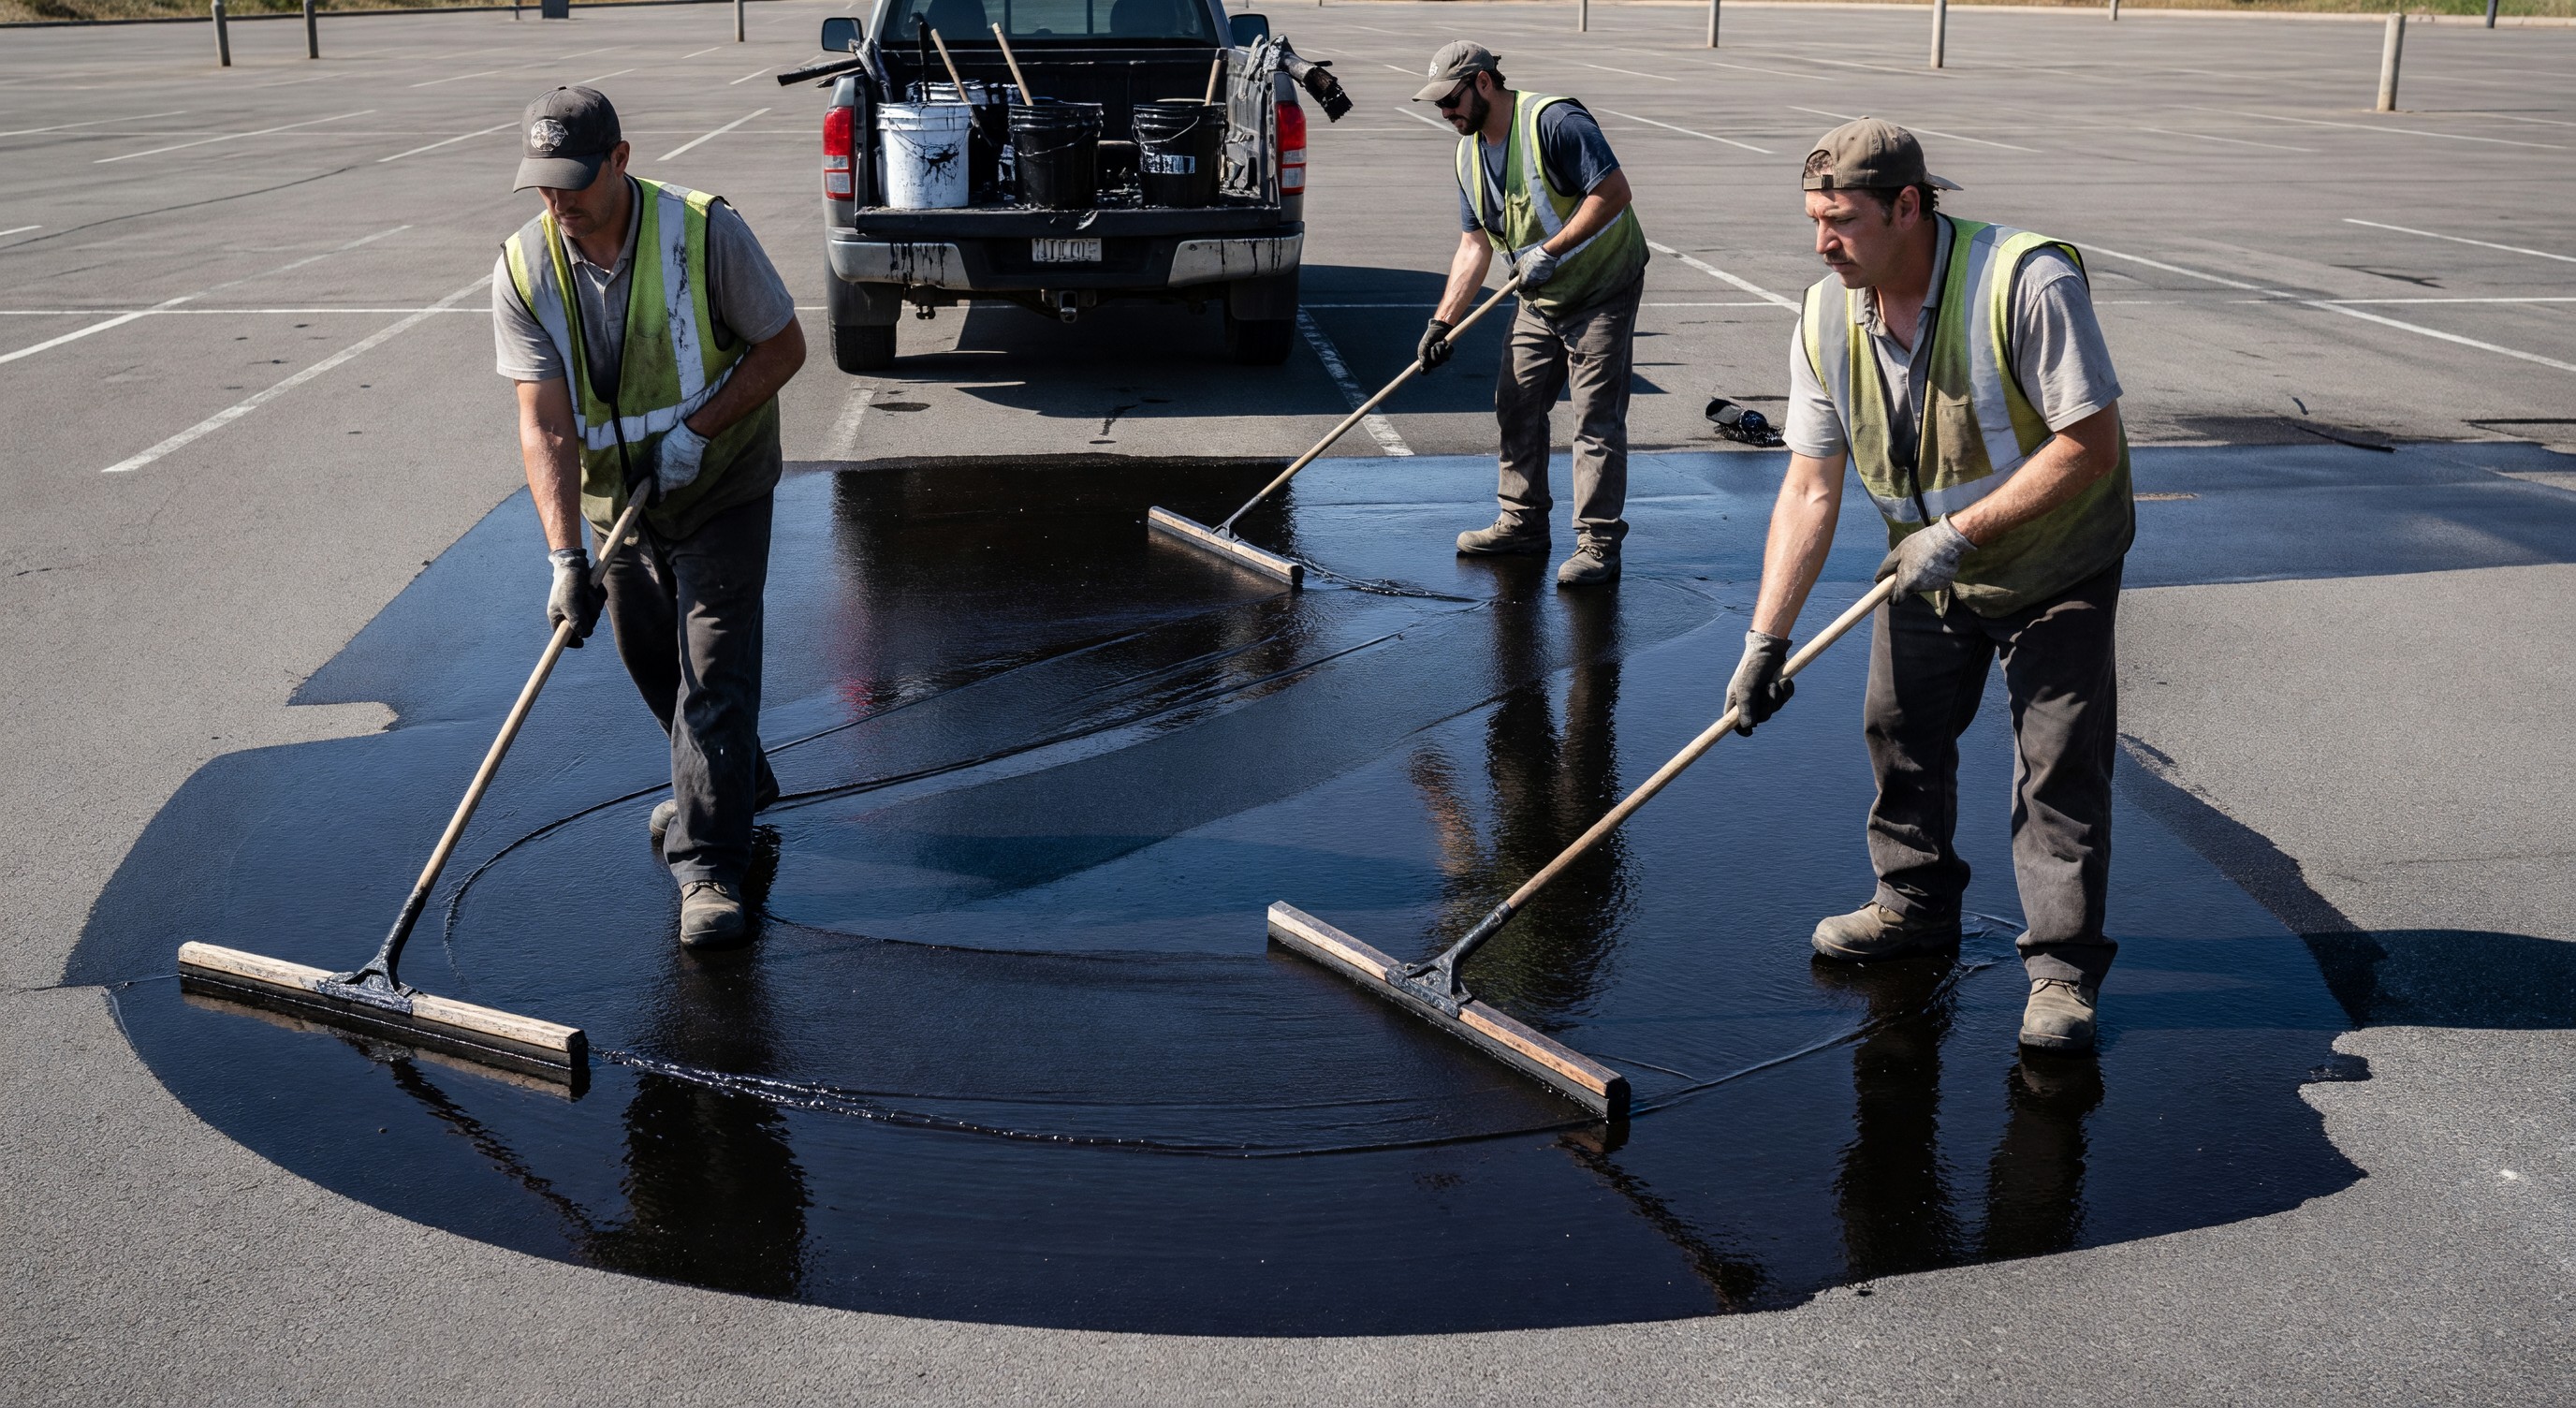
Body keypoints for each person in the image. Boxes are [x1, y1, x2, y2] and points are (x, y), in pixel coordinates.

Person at [1726, 118, 2133, 1053]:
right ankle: (1911, 903)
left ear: (1908, 206)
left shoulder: (2024, 281)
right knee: (1898, 729)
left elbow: (2089, 443)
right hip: (1928, 565)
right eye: (1813, 220)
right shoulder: (1827, 314)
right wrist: (1766, 640)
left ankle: (2062, 972)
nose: (1821, 242)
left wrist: (1960, 530)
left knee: (2057, 766)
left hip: (2055, 556)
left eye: (1841, 221)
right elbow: (1809, 485)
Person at [490, 86, 807, 948]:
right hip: (614, 506)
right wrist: (563, 556)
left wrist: (697, 433)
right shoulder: (525, 268)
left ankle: (709, 868)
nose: (560, 204)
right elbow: (545, 421)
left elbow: (784, 346)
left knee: (712, 669)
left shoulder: (704, 234)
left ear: (620, 159)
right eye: (544, 187)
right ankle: (734, 778)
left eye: (575, 184)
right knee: (646, 657)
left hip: (722, 482)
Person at [1411, 41, 1647, 589]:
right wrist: (1442, 323)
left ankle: (1597, 545)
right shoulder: (1467, 154)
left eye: (1452, 100)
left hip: (1602, 288)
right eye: (1439, 105)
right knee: (1516, 402)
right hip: (1539, 300)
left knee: (1596, 421)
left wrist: (1552, 249)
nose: (1447, 113)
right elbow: (1475, 245)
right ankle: (1521, 523)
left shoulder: (1555, 121)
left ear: (1484, 84)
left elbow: (1613, 192)